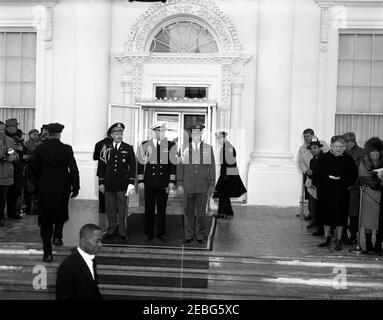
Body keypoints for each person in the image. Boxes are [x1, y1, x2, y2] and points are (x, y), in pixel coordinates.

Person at [32, 123, 80, 262]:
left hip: (45, 185)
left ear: (48, 133)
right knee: (60, 210)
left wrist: (38, 184)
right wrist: (75, 187)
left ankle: (47, 253)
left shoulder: (40, 148)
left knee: (46, 218)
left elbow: (34, 169)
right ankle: (58, 237)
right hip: (62, 185)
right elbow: (73, 169)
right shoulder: (66, 149)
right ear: (59, 134)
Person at [313, 135, 358, 251]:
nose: (339, 148)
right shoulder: (323, 158)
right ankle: (326, 238)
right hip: (326, 193)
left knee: (340, 216)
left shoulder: (348, 159)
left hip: (341, 193)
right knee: (326, 215)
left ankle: (339, 239)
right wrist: (321, 186)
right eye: (336, 146)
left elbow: (353, 175)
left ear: (344, 147)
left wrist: (343, 181)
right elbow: (316, 175)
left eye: (341, 146)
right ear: (331, 146)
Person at [137, 123, 177, 242]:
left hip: (163, 182)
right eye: (159, 131)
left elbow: (173, 165)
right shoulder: (145, 145)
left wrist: (171, 181)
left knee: (162, 209)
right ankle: (148, 233)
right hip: (149, 182)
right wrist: (140, 180)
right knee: (148, 209)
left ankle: (161, 233)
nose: (161, 133)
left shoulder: (170, 145)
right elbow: (140, 164)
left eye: (163, 131)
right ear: (154, 132)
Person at [177, 124, 216, 245]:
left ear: (201, 134)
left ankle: (200, 235)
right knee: (188, 212)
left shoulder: (208, 149)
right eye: (194, 133)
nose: (196, 135)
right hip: (188, 185)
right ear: (190, 134)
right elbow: (180, 167)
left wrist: (212, 184)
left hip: (202, 186)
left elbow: (212, 167)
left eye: (198, 133)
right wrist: (180, 184)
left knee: (201, 213)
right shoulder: (183, 149)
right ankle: (188, 235)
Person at [98, 123, 136, 242]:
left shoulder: (128, 148)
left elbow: (133, 166)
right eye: (116, 134)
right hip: (109, 183)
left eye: (121, 133)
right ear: (112, 135)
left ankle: (123, 232)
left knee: (122, 208)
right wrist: (101, 182)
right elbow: (101, 166)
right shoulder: (105, 148)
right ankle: (110, 230)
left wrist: (131, 182)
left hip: (123, 184)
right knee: (110, 209)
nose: (119, 136)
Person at [56, 223, 103, 300]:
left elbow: (94, 291)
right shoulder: (67, 266)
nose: (100, 245)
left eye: (101, 241)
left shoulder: (92, 260)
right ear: (83, 242)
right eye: (97, 241)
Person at [212, 131, 246, 219]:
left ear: (224, 137)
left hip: (228, 174)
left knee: (221, 192)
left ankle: (223, 213)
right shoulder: (225, 147)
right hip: (226, 173)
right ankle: (228, 211)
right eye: (217, 139)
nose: (218, 140)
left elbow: (230, 163)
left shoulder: (228, 147)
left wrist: (226, 176)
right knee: (224, 193)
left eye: (220, 138)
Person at [358, 137, 383, 254]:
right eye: (372, 152)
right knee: (368, 220)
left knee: (379, 220)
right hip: (368, 194)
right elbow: (363, 178)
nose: (375, 154)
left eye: (377, 152)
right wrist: (376, 178)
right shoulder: (363, 163)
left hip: (380, 195)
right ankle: (368, 242)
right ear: (368, 152)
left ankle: (378, 243)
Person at [297, 128, 329, 220]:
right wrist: (306, 171)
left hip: (321, 174)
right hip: (309, 174)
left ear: (313, 135)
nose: (306, 138)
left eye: (308, 136)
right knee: (310, 195)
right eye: (305, 136)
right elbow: (301, 162)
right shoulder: (302, 148)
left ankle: (320, 217)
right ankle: (312, 214)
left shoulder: (322, 144)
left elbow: (327, 156)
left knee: (320, 196)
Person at [343, 132, 365, 245]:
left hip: (355, 187)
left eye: (345, 142)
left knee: (353, 212)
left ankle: (353, 234)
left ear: (351, 141)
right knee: (344, 211)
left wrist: (351, 182)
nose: (343, 145)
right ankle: (343, 234)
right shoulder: (344, 152)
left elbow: (360, 171)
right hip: (344, 186)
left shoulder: (361, 153)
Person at [5, 118, 25, 220]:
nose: (17, 128)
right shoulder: (5, 138)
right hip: (9, 168)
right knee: (7, 193)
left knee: (15, 192)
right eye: (15, 126)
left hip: (18, 168)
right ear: (10, 127)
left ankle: (13, 212)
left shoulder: (17, 137)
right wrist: (15, 149)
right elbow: (6, 151)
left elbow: (23, 149)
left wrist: (21, 148)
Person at [305, 138, 325, 235]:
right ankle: (317, 225)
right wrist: (309, 173)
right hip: (315, 186)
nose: (313, 150)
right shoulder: (312, 160)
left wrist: (314, 172)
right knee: (314, 207)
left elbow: (324, 172)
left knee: (322, 208)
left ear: (320, 148)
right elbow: (312, 174)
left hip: (323, 187)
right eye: (311, 149)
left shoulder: (324, 158)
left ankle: (323, 229)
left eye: (315, 148)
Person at [0, 122, 19, 226]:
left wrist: (14, 157)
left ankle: (1, 216)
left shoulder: (10, 140)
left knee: (2, 198)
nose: (1, 132)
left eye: (3, 129)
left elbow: (14, 153)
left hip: (6, 175)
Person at [93, 126, 113, 214]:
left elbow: (95, 157)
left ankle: (102, 208)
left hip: (102, 170)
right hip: (113, 170)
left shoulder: (99, 143)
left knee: (102, 189)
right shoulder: (116, 144)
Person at [24, 129, 41, 215]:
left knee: (37, 190)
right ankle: (29, 209)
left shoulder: (39, 143)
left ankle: (36, 209)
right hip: (30, 169)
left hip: (38, 169)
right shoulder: (27, 144)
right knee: (30, 190)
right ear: (30, 135)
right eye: (34, 134)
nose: (36, 136)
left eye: (37, 134)